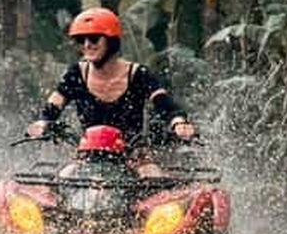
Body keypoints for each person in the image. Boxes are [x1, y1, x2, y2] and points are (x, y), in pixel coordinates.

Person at [27, 8, 195, 148]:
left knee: (151, 174)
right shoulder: (76, 73)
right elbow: (54, 103)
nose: (87, 45)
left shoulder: (138, 74)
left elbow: (164, 103)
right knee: (64, 178)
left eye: (93, 38)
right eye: (80, 40)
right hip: (87, 153)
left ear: (111, 41)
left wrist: (178, 123)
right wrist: (42, 122)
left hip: (133, 153)